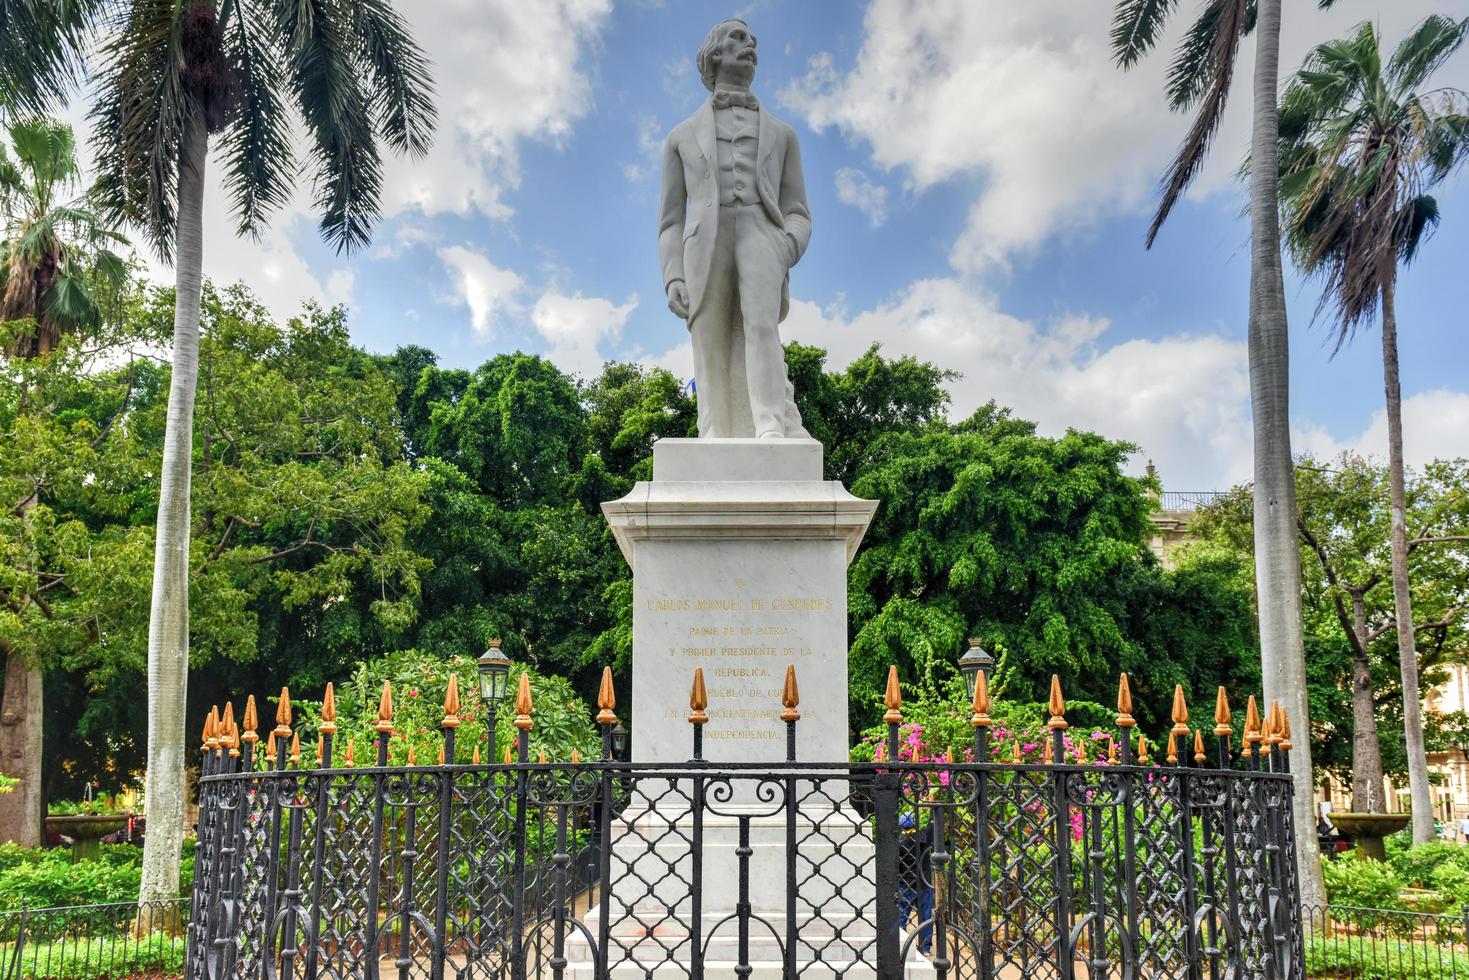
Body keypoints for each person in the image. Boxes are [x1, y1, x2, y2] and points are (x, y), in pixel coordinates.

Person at [658, 18, 811, 439]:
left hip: (761, 234)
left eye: (752, 39)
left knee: (763, 329)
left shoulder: (783, 135)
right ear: (715, 54)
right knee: (708, 341)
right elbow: (670, 220)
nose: (751, 43)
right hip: (702, 244)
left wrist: (786, 246)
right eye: (738, 38)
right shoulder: (680, 137)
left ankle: (771, 429)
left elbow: (798, 210)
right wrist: (672, 273)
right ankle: (715, 435)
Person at [897, 811, 934, 955]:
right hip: (923, 883)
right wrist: (931, 808)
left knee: (902, 915)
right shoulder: (923, 837)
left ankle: (902, 944)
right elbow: (933, 825)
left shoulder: (899, 841)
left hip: (905, 884)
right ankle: (925, 948)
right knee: (925, 916)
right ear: (914, 822)